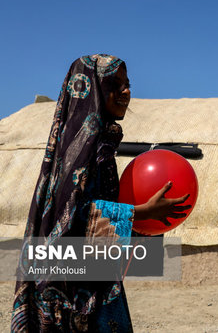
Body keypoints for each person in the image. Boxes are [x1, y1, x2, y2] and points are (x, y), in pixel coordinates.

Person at [11, 54, 190, 332]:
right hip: (72, 291)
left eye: (127, 83)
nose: (126, 91)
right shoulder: (81, 147)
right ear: (92, 90)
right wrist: (141, 212)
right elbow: (68, 216)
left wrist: (143, 224)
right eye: (115, 84)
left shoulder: (102, 144)